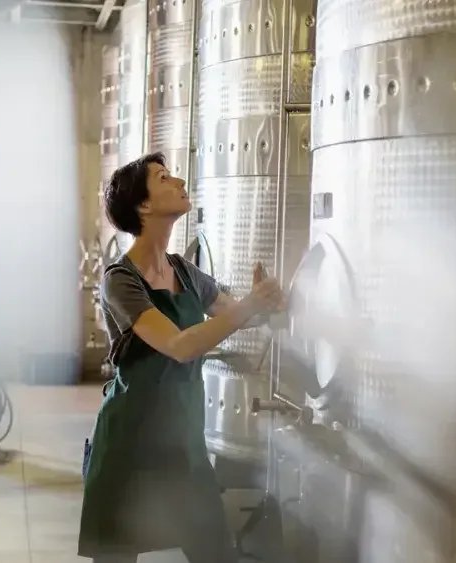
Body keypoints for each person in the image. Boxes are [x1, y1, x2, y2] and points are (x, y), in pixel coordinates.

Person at [78, 152, 285, 563]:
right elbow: (180, 345)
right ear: (144, 206)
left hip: (184, 446)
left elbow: (237, 316)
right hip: (130, 446)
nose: (179, 182)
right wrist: (249, 307)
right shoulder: (121, 280)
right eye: (163, 178)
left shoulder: (186, 273)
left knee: (214, 553)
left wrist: (268, 304)